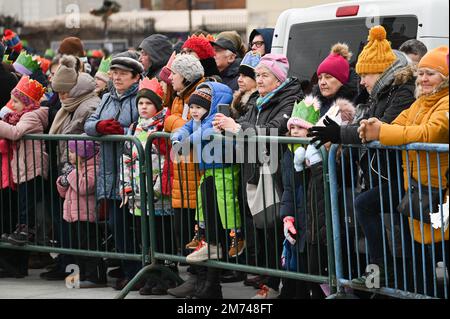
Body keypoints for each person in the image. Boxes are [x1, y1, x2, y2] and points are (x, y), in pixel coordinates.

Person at [356, 46, 449, 296]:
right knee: (423, 258)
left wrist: (382, 132)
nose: (423, 79)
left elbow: (431, 132)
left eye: (431, 73)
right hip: (421, 194)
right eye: (420, 73)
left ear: (445, 78)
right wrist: (373, 126)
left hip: (442, 196)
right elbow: (397, 124)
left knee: (438, 253)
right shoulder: (420, 103)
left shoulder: (446, 102)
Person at [213, 53, 304, 299]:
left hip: (279, 173)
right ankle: (271, 282)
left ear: (278, 79)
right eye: (258, 75)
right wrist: (228, 126)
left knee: (279, 231)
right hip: (257, 171)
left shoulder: (290, 98)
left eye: (265, 75)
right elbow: (245, 123)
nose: (259, 80)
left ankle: (278, 285)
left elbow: (275, 130)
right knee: (265, 230)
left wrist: (238, 128)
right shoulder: (259, 100)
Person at [171, 81, 239, 299]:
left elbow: (204, 134)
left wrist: (186, 142)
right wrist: (177, 136)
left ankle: (235, 237)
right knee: (205, 212)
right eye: (192, 107)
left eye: (198, 107)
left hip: (223, 169)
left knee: (225, 207)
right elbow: (186, 127)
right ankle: (207, 281)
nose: (194, 111)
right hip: (208, 171)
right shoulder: (197, 119)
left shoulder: (216, 118)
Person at [84, 50, 144, 291]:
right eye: (115, 73)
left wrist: (125, 133)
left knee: (138, 226)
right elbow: (89, 124)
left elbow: (146, 128)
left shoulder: (140, 98)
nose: (117, 78)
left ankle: (141, 272)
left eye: (123, 74)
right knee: (116, 226)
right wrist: (100, 126)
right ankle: (128, 271)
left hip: (134, 172)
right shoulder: (107, 98)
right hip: (110, 170)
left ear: (136, 77)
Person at [119, 77, 174, 295]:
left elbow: (167, 160)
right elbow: (126, 156)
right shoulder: (134, 127)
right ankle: (150, 275)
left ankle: (166, 276)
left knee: (162, 235)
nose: (143, 107)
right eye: (140, 103)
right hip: (139, 190)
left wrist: (160, 186)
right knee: (145, 238)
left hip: (158, 192)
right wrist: (126, 186)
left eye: (148, 103)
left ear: (157, 106)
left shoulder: (162, 126)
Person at [0, 76, 48, 247]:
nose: (12, 105)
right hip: (24, 165)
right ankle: (22, 228)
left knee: (27, 201)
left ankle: (26, 230)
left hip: (32, 166)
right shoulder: (22, 115)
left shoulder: (31, 117)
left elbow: (15, 132)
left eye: (16, 101)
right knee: (22, 200)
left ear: (27, 103)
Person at [56, 140, 106, 288]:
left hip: (86, 216)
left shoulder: (94, 168)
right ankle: (82, 275)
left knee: (88, 247)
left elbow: (84, 187)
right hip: (72, 215)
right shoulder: (77, 168)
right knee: (77, 248)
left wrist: (71, 173)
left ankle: (95, 276)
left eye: (72, 152)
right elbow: (63, 193)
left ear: (83, 154)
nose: (69, 155)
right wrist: (63, 182)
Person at [313, 43, 359, 117]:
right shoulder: (313, 104)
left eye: (328, 77)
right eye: (320, 78)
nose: (322, 82)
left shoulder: (358, 103)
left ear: (342, 80)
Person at [230, 51, 261, 119]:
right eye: (239, 75)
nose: (239, 80)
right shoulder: (237, 99)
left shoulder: (258, 102)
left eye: (244, 76)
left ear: (256, 79)